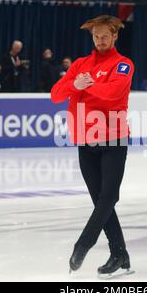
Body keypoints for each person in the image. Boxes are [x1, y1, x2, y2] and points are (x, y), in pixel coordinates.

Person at [51, 15, 134, 277]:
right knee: (101, 201)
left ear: (115, 36)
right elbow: (55, 95)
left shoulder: (123, 64)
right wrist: (75, 85)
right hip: (85, 141)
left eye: (105, 36)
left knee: (108, 198)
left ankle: (83, 244)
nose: (100, 40)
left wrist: (86, 86)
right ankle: (120, 254)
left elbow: (113, 93)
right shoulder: (79, 65)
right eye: (96, 36)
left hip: (113, 139)